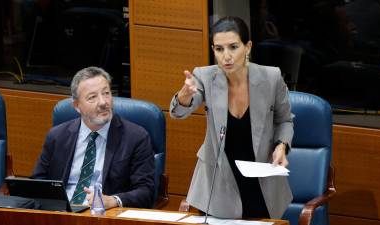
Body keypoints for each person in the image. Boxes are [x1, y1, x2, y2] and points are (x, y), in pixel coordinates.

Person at [170, 17, 294, 219]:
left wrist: (281, 146)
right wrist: (183, 98)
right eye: (219, 49)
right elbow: (179, 113)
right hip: (217, 183)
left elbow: (285, 120)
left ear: (248, 47)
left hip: (260, 183)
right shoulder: (204, 77)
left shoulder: (271, 78)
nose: (226, 56)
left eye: (233, 47)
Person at [32, 66, 155, 209]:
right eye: (92, 97)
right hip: (61, 214)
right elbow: (38, 182)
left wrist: (113, 200)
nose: (103, 102)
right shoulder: (57, 136)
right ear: (77, 106)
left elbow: (146, 192)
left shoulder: (135, 137)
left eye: (106, 93)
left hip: (104, 216)